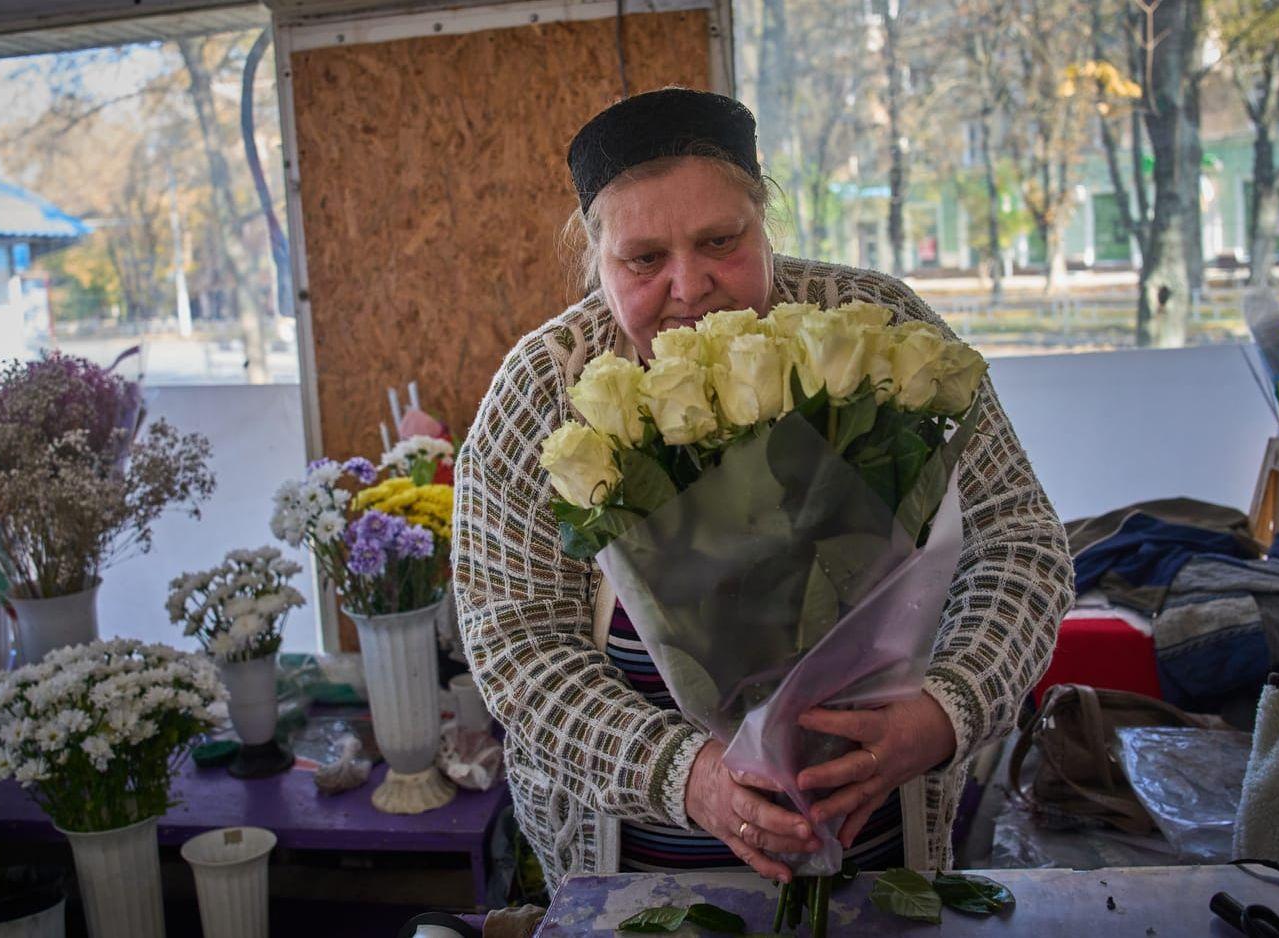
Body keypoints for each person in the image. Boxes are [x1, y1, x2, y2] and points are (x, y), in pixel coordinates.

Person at [453, 87, 1074, 889]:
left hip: (879, 868)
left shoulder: (872, 326)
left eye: (721, 240)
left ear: (766, 220)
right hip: (641, 886)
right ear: (595, 261)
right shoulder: (542, 395)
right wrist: (690, 778)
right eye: (644, 260)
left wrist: (942, 714)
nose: (689, 285)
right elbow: (517, 647)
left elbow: (1017, 545)